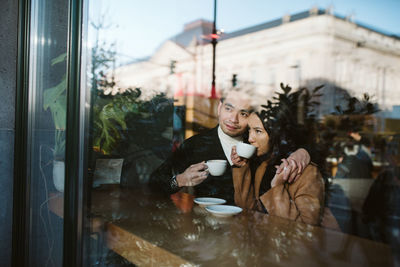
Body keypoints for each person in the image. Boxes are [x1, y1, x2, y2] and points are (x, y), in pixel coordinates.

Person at [149, 89, 310, 204]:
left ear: (252, 117)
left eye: (243, 113)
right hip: (208, 234)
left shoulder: (261, 144)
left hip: (255, 234)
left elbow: (307, 145)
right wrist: (180, 180)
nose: (233, 119)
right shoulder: (196, 145)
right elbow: (154, 184)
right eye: (228, 109)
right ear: (219, 108)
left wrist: (304, 151)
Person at [231, 92, 326, 225]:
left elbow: (304, 233)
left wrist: (277, 188)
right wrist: (241, 169)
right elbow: (248, 212)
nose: (250, 138)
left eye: (258, 131)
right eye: (249, 130)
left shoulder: (307, 173)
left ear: (277, 134)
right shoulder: (264, 165)